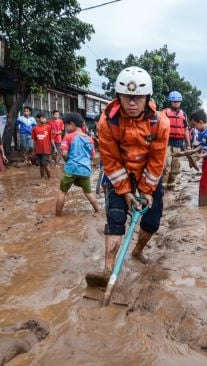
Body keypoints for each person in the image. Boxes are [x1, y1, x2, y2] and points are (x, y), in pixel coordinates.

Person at [85, 66, 169, 288]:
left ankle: (137, 251)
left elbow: (157, 160)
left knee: (152, 221)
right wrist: (125, 191)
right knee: (115, 218)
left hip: (147, 173)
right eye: (127, 97)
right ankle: (108, 270)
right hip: (119, 172)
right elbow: (110, 161)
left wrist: (147, 191)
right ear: (118, 97)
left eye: (137, 98)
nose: (132, 103)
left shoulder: (160, 123)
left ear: (147, 97)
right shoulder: (107, 122)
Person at [55, 112, 100, 216]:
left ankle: (57, 217)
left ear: (72, 124)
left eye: (66, 125)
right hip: (85, 170)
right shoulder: (90, 139)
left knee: (62, 192)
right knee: (88, 192)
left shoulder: (68, 137)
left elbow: (64, 153)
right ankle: (98, 212)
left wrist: (68, 161)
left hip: (71, 169)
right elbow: (92, 156)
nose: (66, 128)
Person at [162, 90, 191, 190]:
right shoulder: (164, 113)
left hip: (179, 144)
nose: (176, 103)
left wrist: (188, 145)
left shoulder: (183, 114)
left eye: (178, 102)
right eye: (174, 102)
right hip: (166, 143)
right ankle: (162, 190)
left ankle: (171, 187)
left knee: (175, 168)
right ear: (170, 102)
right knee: (166, 167)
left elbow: (186, 130)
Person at [32, 113, 55, 179]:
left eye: (45, 118)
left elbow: (52, 139)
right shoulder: (35, 129)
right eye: (43, 118)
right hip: (38, 150)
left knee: (45, 165)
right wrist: (34, 151)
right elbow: (34, 141)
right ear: (38, 119)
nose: (44, 119)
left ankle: (49, 178)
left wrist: (55, 148)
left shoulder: (48, 127)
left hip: (46, 150)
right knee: (41, 165)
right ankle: (42, 178)